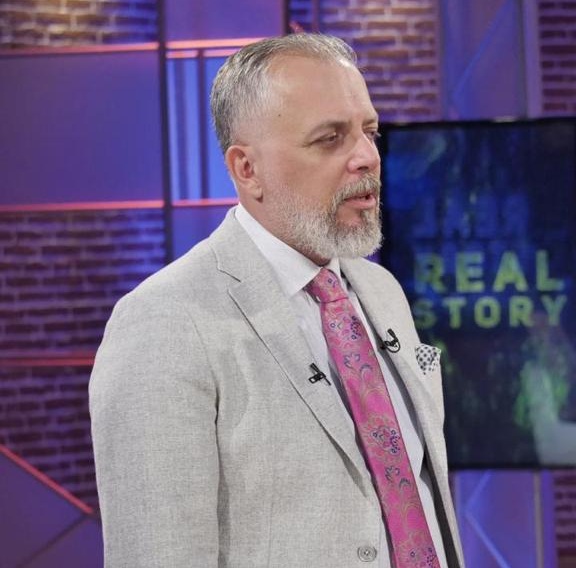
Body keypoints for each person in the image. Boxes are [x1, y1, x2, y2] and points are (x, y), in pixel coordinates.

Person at [89, 33, 465, 568]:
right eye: (330, 139)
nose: (367, 157)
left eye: (369, 131)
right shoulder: (164, 322)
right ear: (248, 169)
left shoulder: (381, 290)